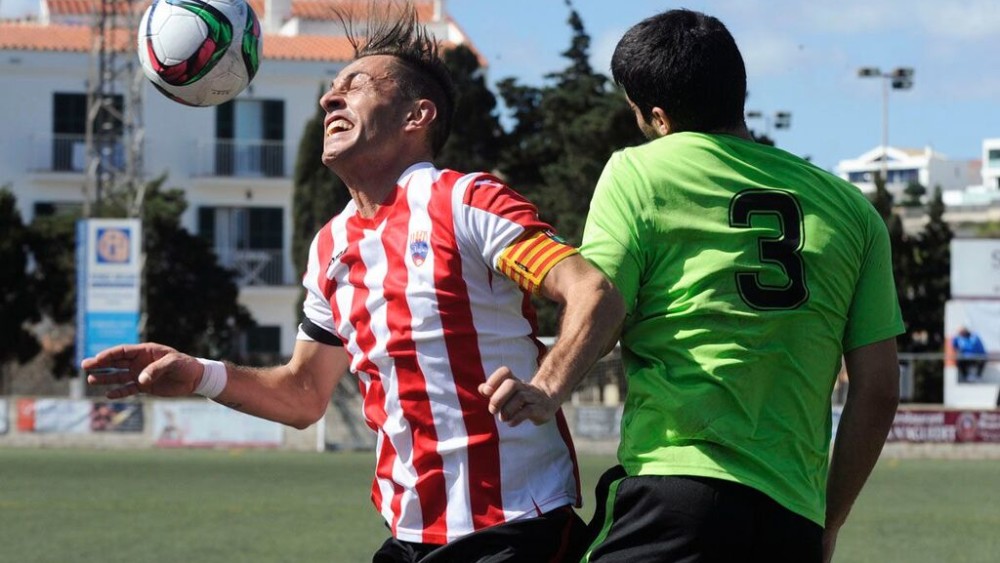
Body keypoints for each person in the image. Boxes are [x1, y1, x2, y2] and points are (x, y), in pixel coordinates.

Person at [83, 3, 624, 562]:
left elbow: (593, 293)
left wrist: (547, 385)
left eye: (356, 85)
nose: (329, 99)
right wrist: (198, 374)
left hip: (513, 528)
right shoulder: (330, 248)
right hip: (409, 538)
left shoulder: (464, 201)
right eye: (331, 89)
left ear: (417, 116)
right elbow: (303, 394)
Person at [573, 9, 902, 563]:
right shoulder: (853, 211)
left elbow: (599, 314)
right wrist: (827, 519)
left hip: (674, 485)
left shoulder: (638, 172)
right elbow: (879, 389)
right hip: (791, 516)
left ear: (656, 116)